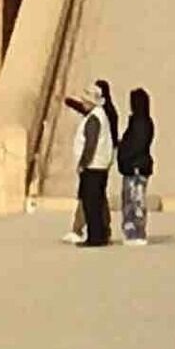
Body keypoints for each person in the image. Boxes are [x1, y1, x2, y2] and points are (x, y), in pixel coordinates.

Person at [66, 81, 117, 247]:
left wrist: (83, 163)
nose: (84, 104)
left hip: (93, 166)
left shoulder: (95, 118)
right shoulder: (98, 114)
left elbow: (91, 144)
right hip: (99, 164)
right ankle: (100, 234)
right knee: (96, 200)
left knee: (91, 203)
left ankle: (95, 237)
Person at [116, 83, 158, 241]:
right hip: (137, 165)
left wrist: (124, 154)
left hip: (136, 166)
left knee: (135, 200)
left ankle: (136, 231)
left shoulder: (141, 122)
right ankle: (134, 230)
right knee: (133, 200)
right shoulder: (141, 121)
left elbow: (137, 144)